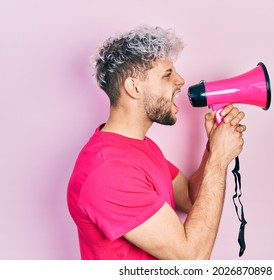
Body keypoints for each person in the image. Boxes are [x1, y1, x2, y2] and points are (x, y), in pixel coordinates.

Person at [67, 25, 246, 260]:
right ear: (134, 87)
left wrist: (213, 148)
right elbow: (191, 259)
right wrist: (220, 160)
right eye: (167, 74)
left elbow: (191, 199)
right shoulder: (108, 170)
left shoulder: (141, 147)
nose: (181, 81)